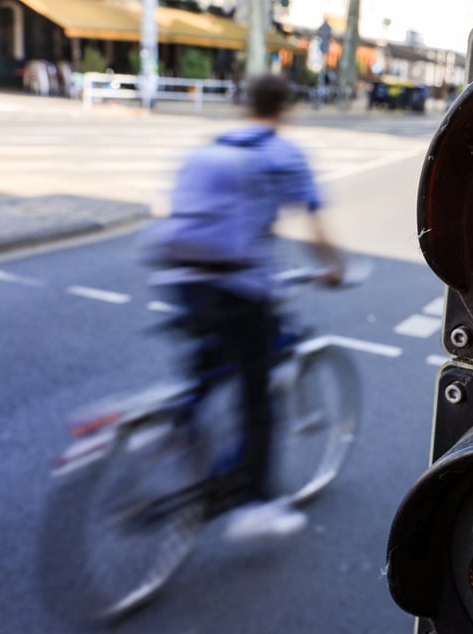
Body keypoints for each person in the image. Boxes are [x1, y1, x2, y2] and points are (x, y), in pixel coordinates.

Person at [143, 72, 343, 541]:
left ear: (243, 103)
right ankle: (255, 503)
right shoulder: (285, 154)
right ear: (285, 108)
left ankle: (170, 429)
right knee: (258, 396)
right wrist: (335, 268)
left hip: (184, 279)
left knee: (209, 366)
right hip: (240, 288)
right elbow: (316, 228)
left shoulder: (214, 145)